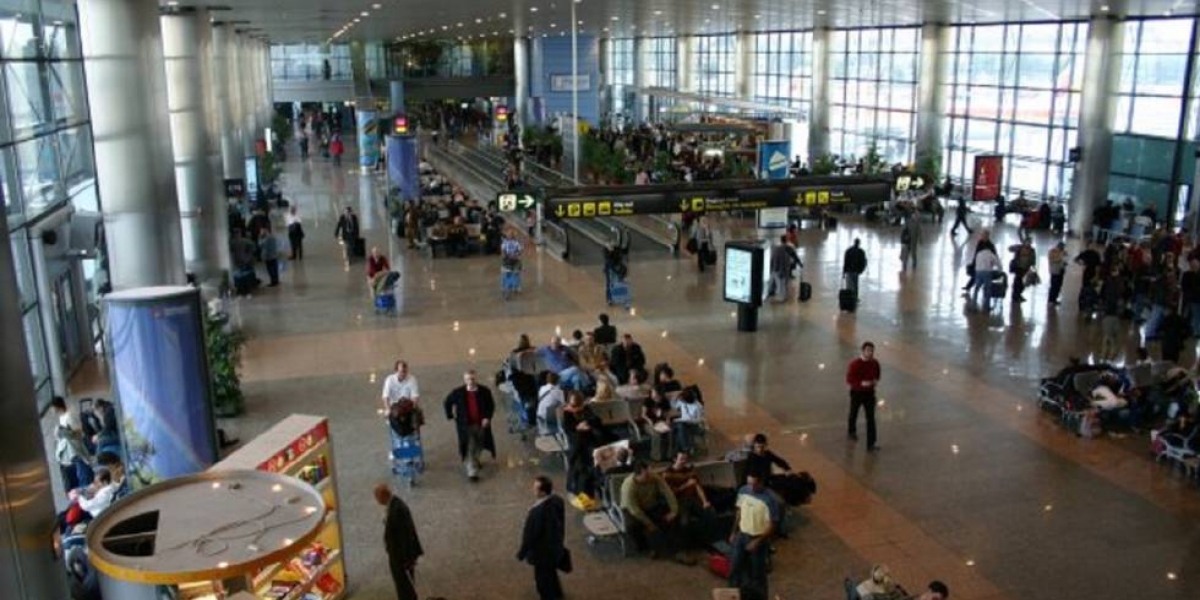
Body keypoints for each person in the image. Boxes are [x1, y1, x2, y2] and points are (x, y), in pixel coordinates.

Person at [619, 461, 693, 565]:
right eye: (646, 475)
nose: (649, 476)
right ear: (637, 475)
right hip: (632, 509)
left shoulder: (654, 477)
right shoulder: (629, 486)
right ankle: (645, 547)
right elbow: (635, 510)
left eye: (650, 473)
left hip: (650, 505)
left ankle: (679, 551)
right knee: (631, 526)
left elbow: (668, 493)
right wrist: (649, 523)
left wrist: (674, 511)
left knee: (672, 519)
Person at [729, 472, 780, 600]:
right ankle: (733, 594)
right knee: (735, 566)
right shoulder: (743, 491)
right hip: (742, 535)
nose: (751, 487)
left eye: (754, 484)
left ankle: (761, 597)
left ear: (762, 482)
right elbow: (739, 511)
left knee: (758, 573)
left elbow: (772, 525)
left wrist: (758, 541)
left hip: (758, 539)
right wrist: (733, 532)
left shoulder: (770, 500)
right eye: (749, 483)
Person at [517, 476, 567, 600]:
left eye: (536, 488)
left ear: (543, 492)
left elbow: (529, 535)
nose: (533, 490)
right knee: (551, 574)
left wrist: (521, 553)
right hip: (555, 547)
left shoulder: (536, 513)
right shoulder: (557, 500)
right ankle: (557, 593)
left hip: (542, 552)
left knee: (542, 579)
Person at [443, 370, 496, 481]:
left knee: (480, 444)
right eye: (468, 379)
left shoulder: (485, 391)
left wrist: (487, 417)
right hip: (465, 426)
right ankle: (472, 471)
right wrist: (450, 415)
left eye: (472, 379)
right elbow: (447, 402)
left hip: (481, 425)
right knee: (470, 446)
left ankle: (475, 460)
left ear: (476, 379)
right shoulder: (458, 392)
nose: (471, 381)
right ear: (465, 380)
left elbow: (491, 405)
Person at [375, 484, 423, 600]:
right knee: (403, 584)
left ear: (383, 496)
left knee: (404, 585)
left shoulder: (397, 510)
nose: (377, 501)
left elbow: (405, 536)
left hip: (401, 558)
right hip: (400, 556)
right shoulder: (395, 505)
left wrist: (407, 559)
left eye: (377, 498)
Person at [846, 341, 881, 452]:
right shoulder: (855, 364)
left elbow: (877, 374)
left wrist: (875, 381)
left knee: (871, 418)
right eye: (868, 351)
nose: (870, 353)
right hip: (857, 393)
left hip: (870, 394)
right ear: (863, 351)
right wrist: (861, 383)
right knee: (853, 412)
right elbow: (850, 379)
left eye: (872, 351)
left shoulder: (875, 363)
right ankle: (852, 431)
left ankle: (871, 443)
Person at [52, 397, 92, 491]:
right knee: (79, 470)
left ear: (57, 407)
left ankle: (86, 488)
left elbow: (79, 431)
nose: (52, 411)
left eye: (52, 408)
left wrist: (65, 432)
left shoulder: (69, 416)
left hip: (76, 447)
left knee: (82, 470)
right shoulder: (61, 417)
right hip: (70, 448)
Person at [770, 235, 802, 302]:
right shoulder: (788, 247)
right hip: (785, 268)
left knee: (780, 283)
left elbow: (773, 259)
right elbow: (794, 256)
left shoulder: (777, 248)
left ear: (781, 240)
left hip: (777, 269)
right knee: (783, 283)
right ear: (786, 240)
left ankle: (781, 297)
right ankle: (783, 296)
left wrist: (772, 268)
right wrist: (799, 263)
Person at [972, 242, 1004, 311]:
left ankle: (973, 304)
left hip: (978, 272)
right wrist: (1000, 271)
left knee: (976, 288)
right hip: (987, 272)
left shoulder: (979, 253)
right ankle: (986, 306)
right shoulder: (991, 255)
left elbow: (976, 262)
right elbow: (998, 264)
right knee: (988, 289)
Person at [1008, 238, 1037, 303]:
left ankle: (1018, 295)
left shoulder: (1032, 250)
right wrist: (1017, 247)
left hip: (1026, 269)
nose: (1028, 243)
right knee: (1017, 282)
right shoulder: (1019, 247)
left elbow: (1033, 259)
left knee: (1023, 284)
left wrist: (1033, 267)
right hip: (1018, 268)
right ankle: (1015, 296)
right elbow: (1010, 249)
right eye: (1027, 242)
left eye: (1029, 242)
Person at [1047, 241, 1067, 306]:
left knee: (1058, 286)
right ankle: (1050, 300)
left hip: (1061, 271)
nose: (1063, 248)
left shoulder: (1063, 252)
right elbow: (1052, 260)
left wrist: (1064, 262)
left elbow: (1065, 260)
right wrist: (1060, 258)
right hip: (1054, 271)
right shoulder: (1053, 251)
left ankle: (1054, 299)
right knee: (1054, 286)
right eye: (1062, 247)